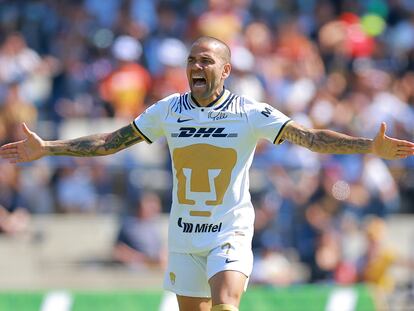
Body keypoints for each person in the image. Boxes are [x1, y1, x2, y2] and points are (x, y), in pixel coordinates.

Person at [1, 36, 414, 311]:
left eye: (206, 60)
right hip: (184, 234)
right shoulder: (168, 110)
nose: (196, 66)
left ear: (226, 70)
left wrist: (367, 147)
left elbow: (309, 137)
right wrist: (49, 148)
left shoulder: (249, 113)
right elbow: (112, 141)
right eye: (191, 60)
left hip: (230, 229)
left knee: (226, 304)